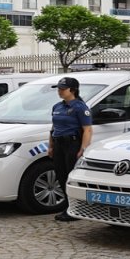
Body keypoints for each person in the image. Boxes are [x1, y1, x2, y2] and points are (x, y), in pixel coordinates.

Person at [48, 77, 92, 222]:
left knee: (70, 176)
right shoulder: (57, 107)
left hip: (72, 144)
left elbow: (87, 130)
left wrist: (83, 149)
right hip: (58, 144)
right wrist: (51, 145)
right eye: (58, 89)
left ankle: (75, 209)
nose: (59, 91)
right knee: (61, 176)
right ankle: (68, 206)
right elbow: (53, 128)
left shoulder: (80, 107)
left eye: (62, 89)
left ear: (72, 90)